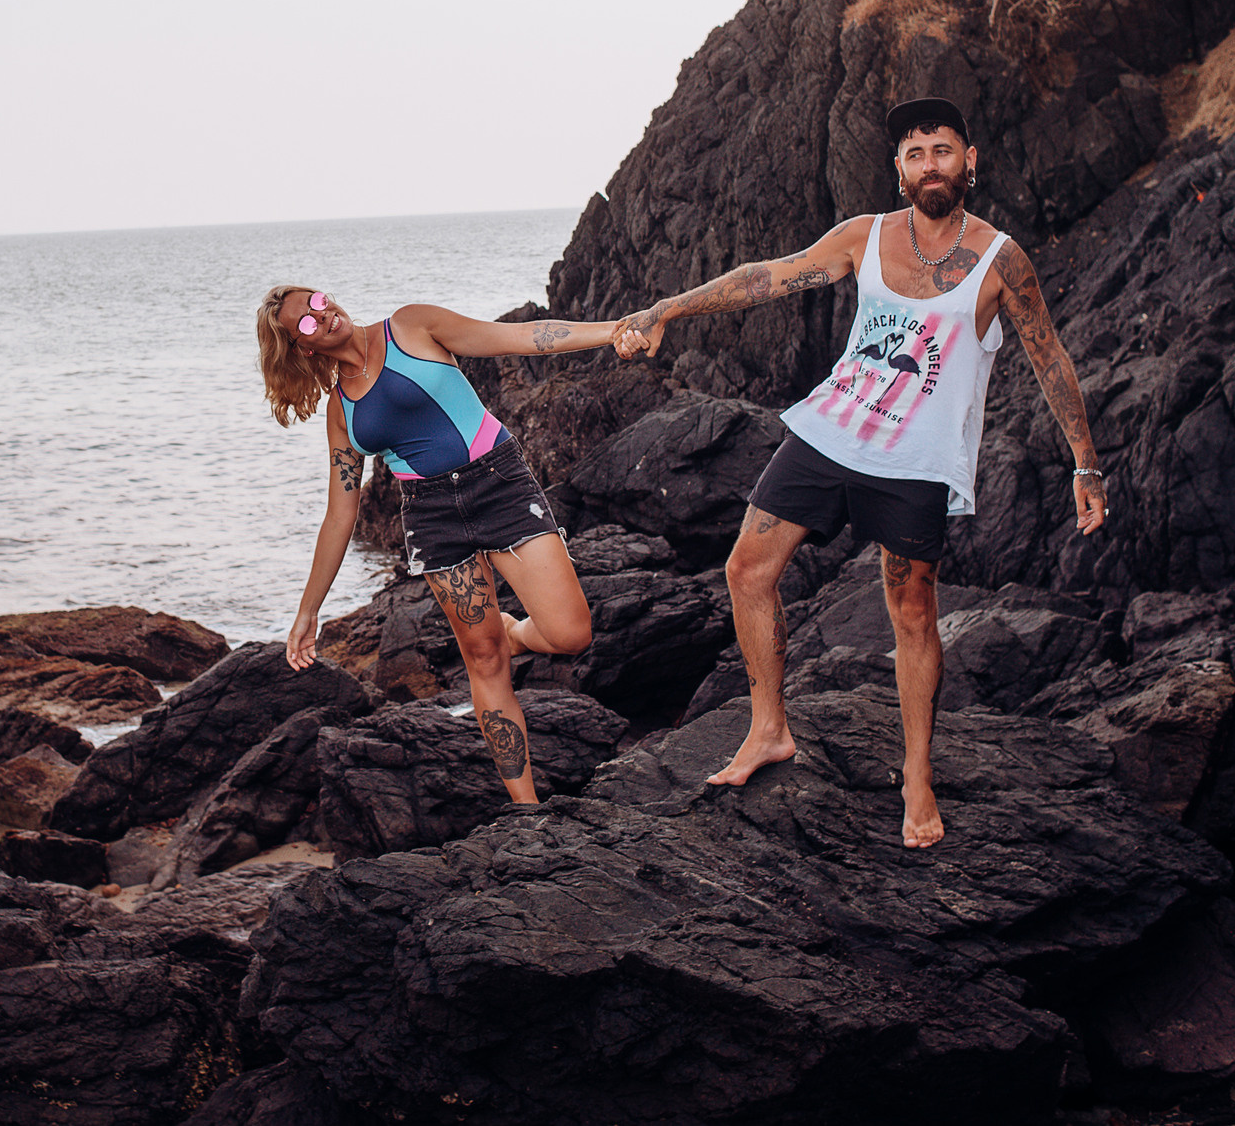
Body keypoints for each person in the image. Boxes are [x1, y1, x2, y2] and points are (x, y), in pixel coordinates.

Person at [610, 97, 1106, 847]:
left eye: (943, 149)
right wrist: (668, 309)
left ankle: (916, 776)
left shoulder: (1001, 259)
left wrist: (1085, 464)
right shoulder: (865, 236)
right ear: (898, 169)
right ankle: (769, 728)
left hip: (914, 460)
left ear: (970, 161)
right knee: (747, 568)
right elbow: (766, 277)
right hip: (830, 429)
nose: (929, 164)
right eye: (915, 153)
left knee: (910, 612)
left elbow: (1049, 357)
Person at [257, 287, 619, 803]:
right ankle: (527, 808)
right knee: (484, 660)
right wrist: (308, 611)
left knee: (571, 633)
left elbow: (514, 338)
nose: (321, 315)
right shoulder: (342, 412)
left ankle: (518, 634)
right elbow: (341, 514)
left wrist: (612, 331)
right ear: (303, 348)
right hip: (430, 517)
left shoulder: (410, 326)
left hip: (499, 483)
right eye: (306, 324)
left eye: (317, 301)